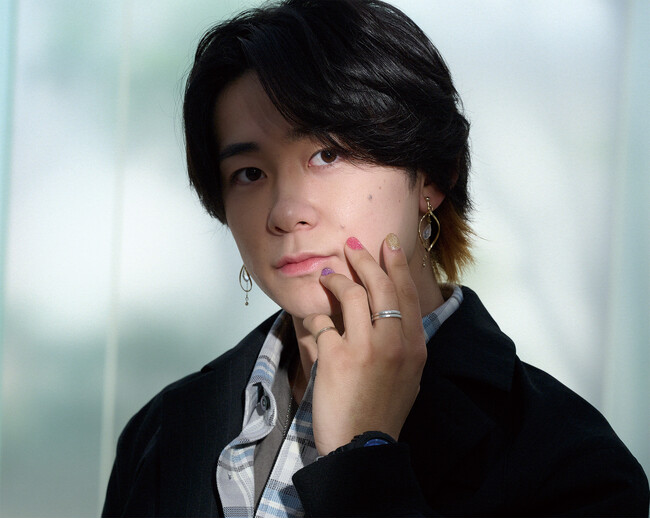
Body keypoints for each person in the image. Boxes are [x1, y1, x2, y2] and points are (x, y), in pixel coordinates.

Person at [102, 0, 649, 516]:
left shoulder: (571, 464)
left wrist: (363, 458)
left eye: (327, 154)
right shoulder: (162, 432)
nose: (285, 212)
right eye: (249, 173)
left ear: (432, 178)